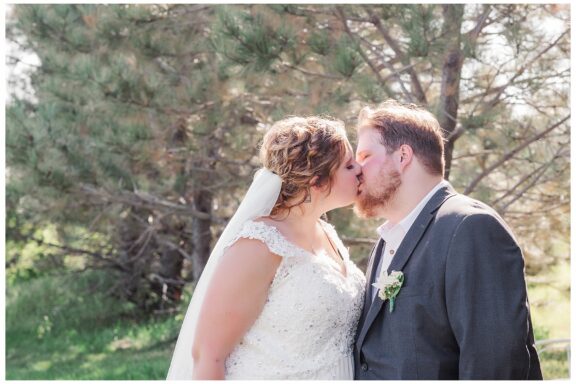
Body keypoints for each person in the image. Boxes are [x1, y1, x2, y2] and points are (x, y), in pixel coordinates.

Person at [353, 100, 542, 380]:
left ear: (403, 156)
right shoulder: (387, 239)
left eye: (365, 156)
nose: (356, 169)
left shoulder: (470, 227)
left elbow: (495, 363)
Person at [167, 116, 366, 380]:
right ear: (317, 182)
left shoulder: (328, 233)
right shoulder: (259, 244)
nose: (360, 170)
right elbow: (207, 353)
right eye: (349, 165)